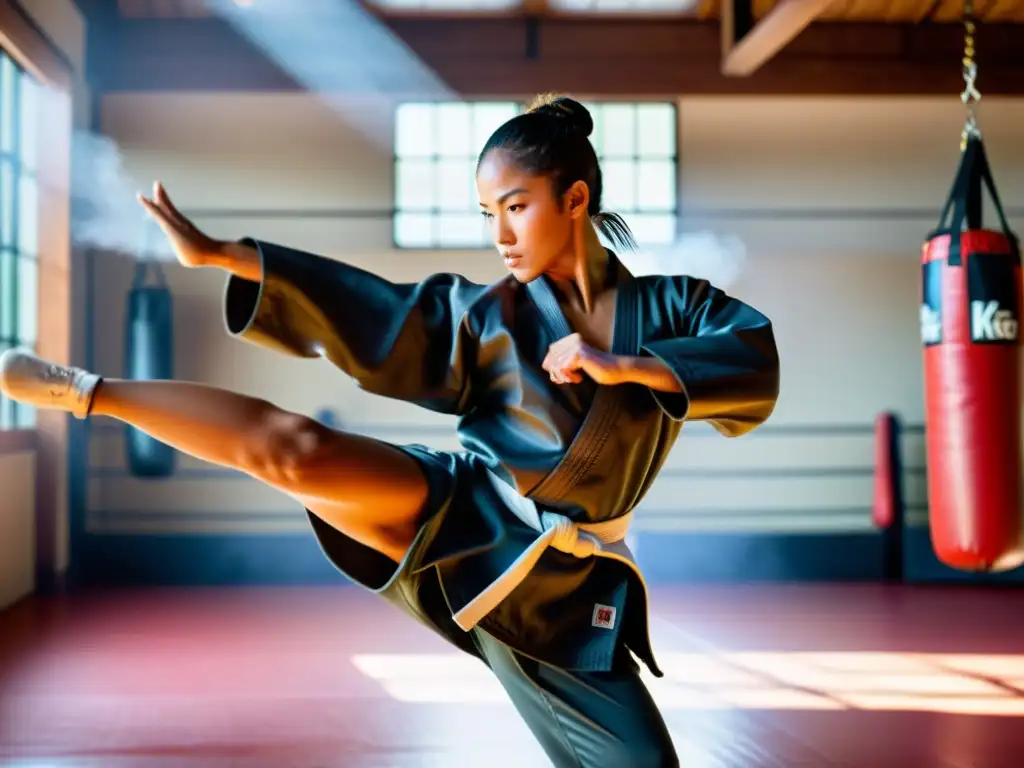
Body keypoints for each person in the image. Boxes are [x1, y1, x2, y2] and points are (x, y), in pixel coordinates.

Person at [0, 95, 779, 767]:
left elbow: (750, 358)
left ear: (574, 199)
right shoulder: (484, 314)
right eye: (488, 214)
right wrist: (225, 257)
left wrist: (623, 365)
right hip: (468, 515)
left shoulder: (678, 306)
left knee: (645, 763)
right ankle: (87, 391)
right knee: (295, 452)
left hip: (572, 588)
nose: (500, 235)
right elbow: (368, 306)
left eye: (516, 206)